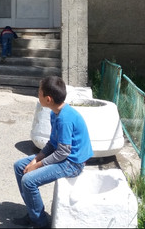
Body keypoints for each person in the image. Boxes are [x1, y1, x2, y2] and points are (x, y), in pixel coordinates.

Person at [13, 76, 93, 228]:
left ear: (48, 99)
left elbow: (63, 152)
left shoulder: (65, 119)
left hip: (73, 163)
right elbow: (52, 143)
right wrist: (36, 159)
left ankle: (40, 223)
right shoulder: (54, 113)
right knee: (19, 166)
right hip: (63, 155)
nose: (38, 95)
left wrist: (37, 165)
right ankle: (33, 213)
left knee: (28, 181)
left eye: (39, 93)